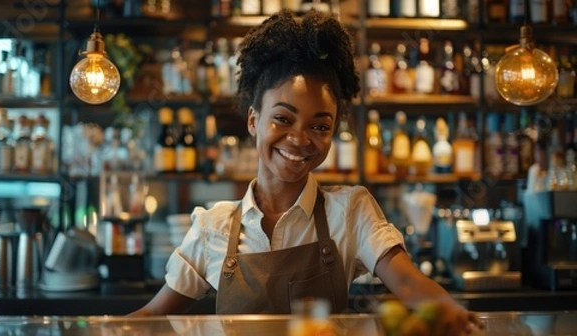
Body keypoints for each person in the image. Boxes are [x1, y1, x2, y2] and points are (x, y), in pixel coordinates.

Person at [129, 9, 483, 334]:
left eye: (319, 126)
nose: (299, 139)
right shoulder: (212, 227)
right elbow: (154, 317)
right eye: (282, 118)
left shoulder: (350, 210)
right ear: (254, 120)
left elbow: (408, 283)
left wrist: (446, 309)